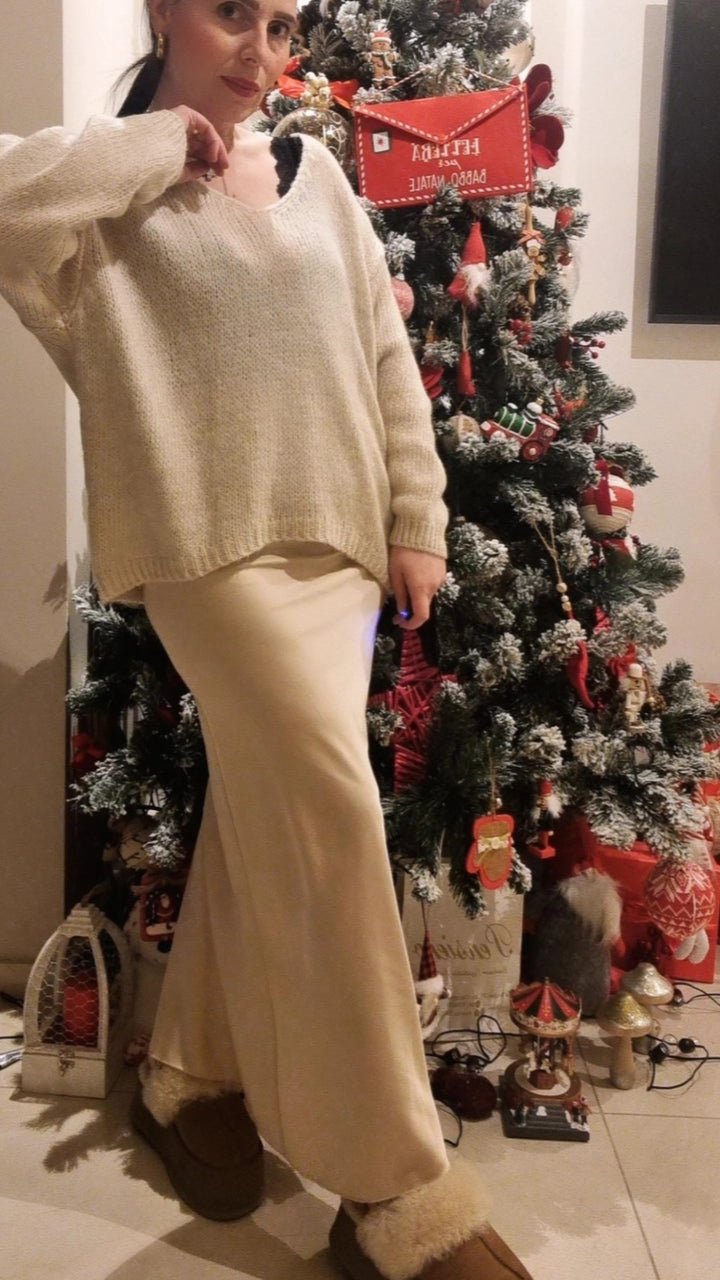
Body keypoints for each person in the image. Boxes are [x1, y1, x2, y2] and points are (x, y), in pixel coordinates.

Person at [0, 3, 532, 1277]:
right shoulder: (99, 185)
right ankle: (396, 1188)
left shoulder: (319, 175)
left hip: (337, 550)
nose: (260, 47)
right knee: (331, 807)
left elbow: (384, 355)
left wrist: (417, 516)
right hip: (205, 551)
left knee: (264, 807)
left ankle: (192, 1070)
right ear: (163, 12)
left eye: (280, 22)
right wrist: (151, 145)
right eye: (231, 11)